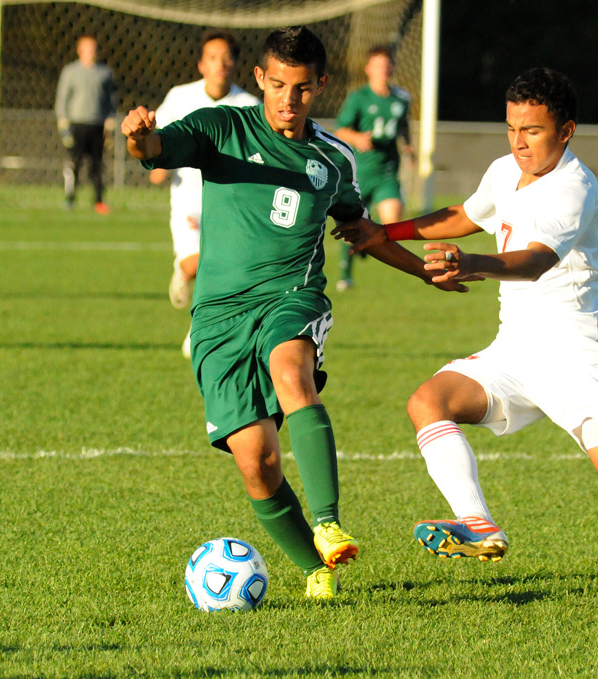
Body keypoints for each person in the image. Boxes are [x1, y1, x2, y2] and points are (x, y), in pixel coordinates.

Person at [332, 67, 598, 605]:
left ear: (566, 131)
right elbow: (464, 214)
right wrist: (390, 231)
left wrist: (471, 262)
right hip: (515, 349)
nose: (519, 142)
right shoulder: (505, 170)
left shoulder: (575, 187)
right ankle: (477, 524)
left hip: (576, 355)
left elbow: (534, 262)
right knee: (428, 401)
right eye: (511, 128)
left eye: (533, 131)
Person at [122, 26, 469, 599]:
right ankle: (315, 569)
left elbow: (363, 232)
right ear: (259, 79)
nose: (288, 99)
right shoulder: (221, 127)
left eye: (302, 89)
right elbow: (154, 152)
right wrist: (139, 136)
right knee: (256, 461)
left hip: (292, 296)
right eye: (277, 85)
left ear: (321, 87)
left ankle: (328, 520)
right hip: (218, 317)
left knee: (292, 374)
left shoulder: (334, 159)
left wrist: (421, 270)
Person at [149, 29, 260, 358]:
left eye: (227, 58)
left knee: (222, 267)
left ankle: (199, 328)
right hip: (189, 201)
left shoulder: (250, 106)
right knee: (198, 264)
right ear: (201, 64)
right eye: (213, 57)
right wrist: (157, 163)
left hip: (231, 205)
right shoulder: (179, 97)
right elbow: (160, 141)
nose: (220, 64)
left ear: (236, 64)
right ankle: (182, 272)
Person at [332, 45, 414, 291]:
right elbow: (341, 129)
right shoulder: (358, 98)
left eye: (386, 65)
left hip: (387, 171)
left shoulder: (401, 98)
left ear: (392, 68)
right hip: (360, 171)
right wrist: (357, 138)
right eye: (377, 65)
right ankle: (345, 275)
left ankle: (368, 241)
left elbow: (403, 126)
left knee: (391, 222)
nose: (382, 70)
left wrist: (408, 147)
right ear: (369, 69)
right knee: (351, 224)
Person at [55, 34, 118, 214]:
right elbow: (62, 99)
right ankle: (70, 199)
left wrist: (110, 121)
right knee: (74, 163)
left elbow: (111, 99)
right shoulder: (70, 71)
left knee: (97, 165)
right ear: (79, 51)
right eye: (87, 49)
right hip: (77, 124)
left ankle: (98, 201)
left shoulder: (105, 72)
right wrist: (63, 124)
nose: (90, 52)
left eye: (93, 49)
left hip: (97, 124)